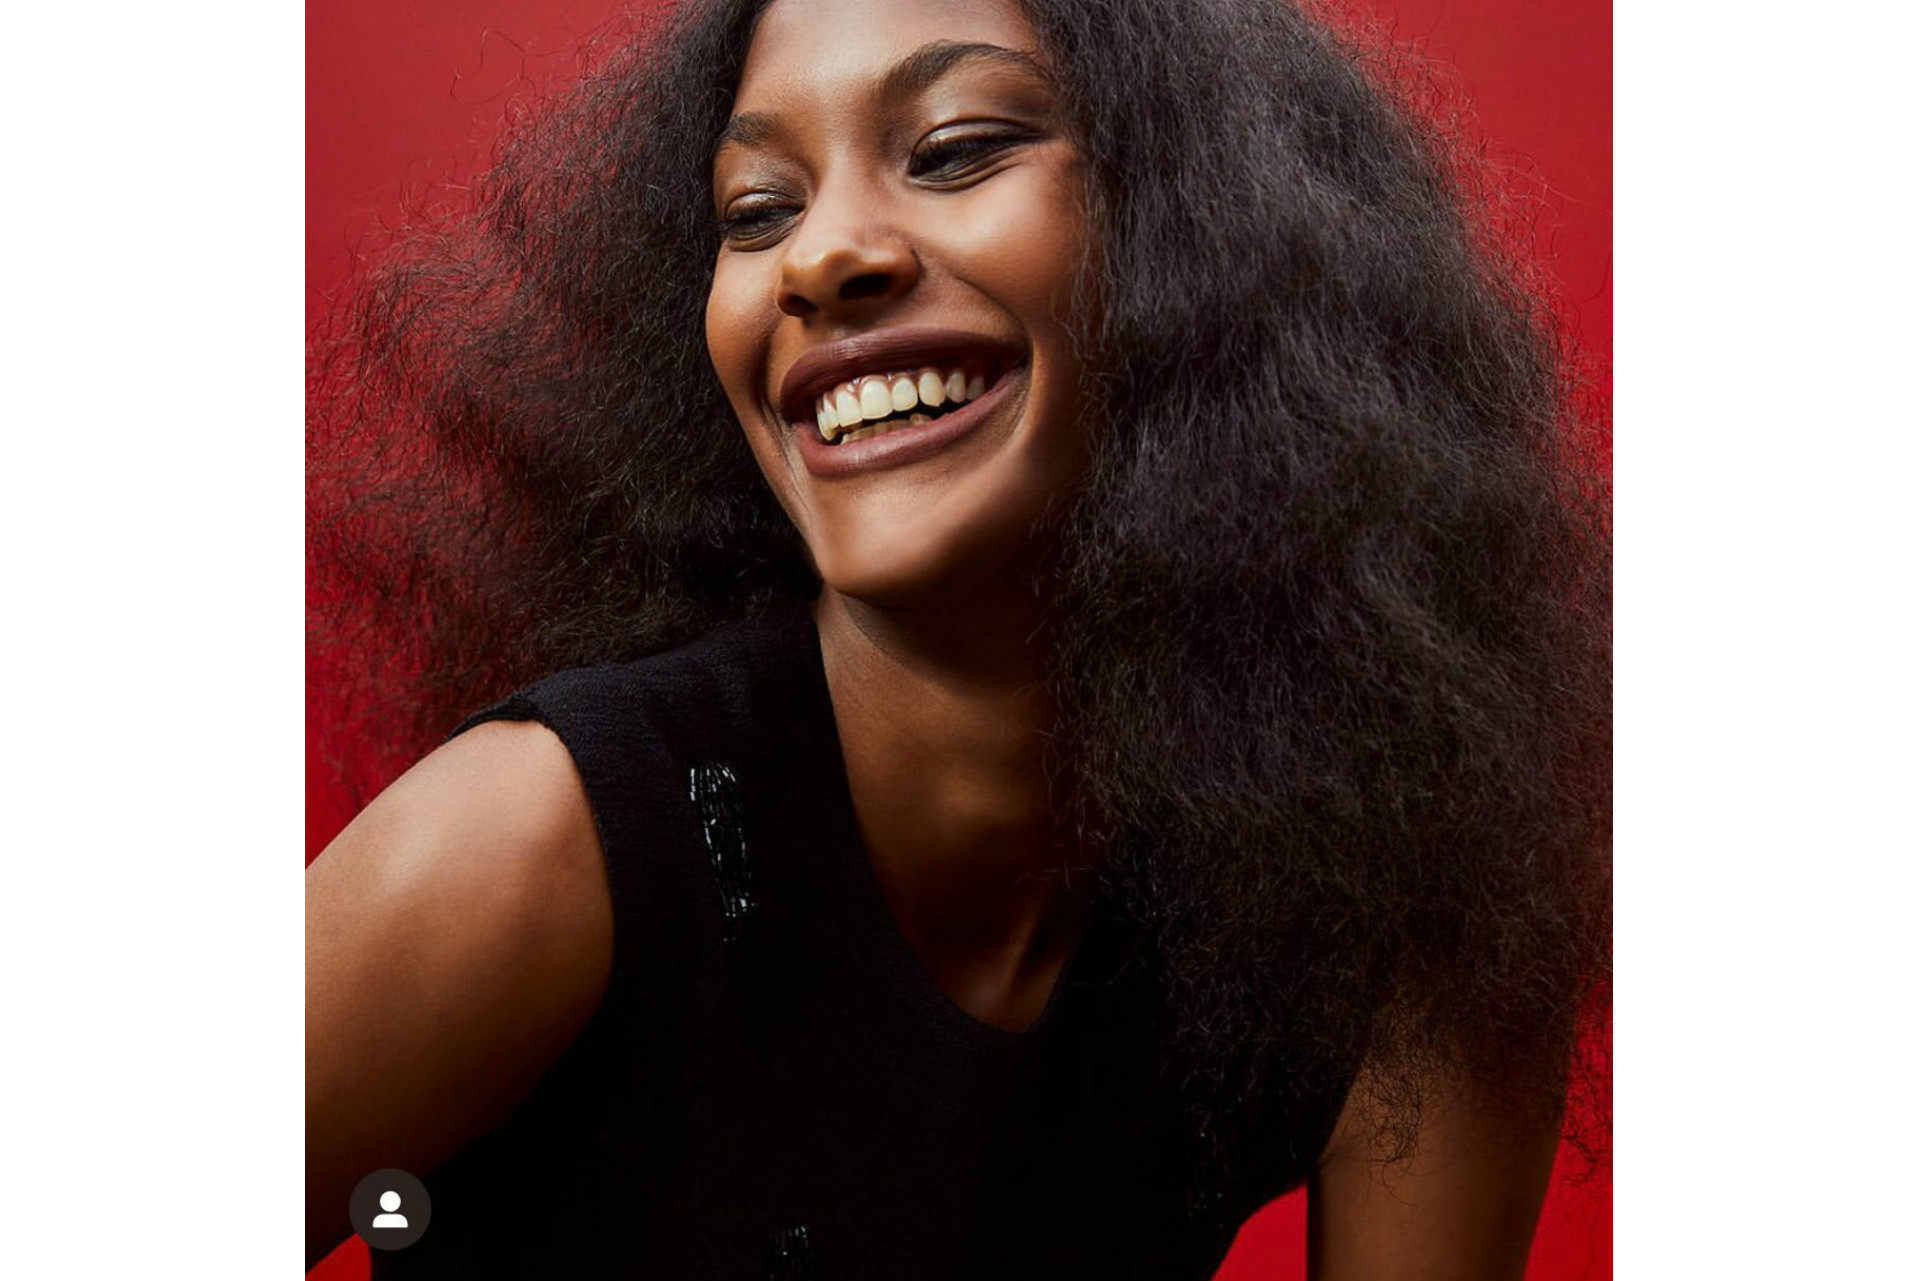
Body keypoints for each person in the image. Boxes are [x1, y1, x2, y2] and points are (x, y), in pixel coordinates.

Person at [306, 0, 1611, 1275]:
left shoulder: (1403, 893)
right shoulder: (532, 840)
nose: (819, 257)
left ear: (1209, 227)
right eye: (756, 212)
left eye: (956, 148)